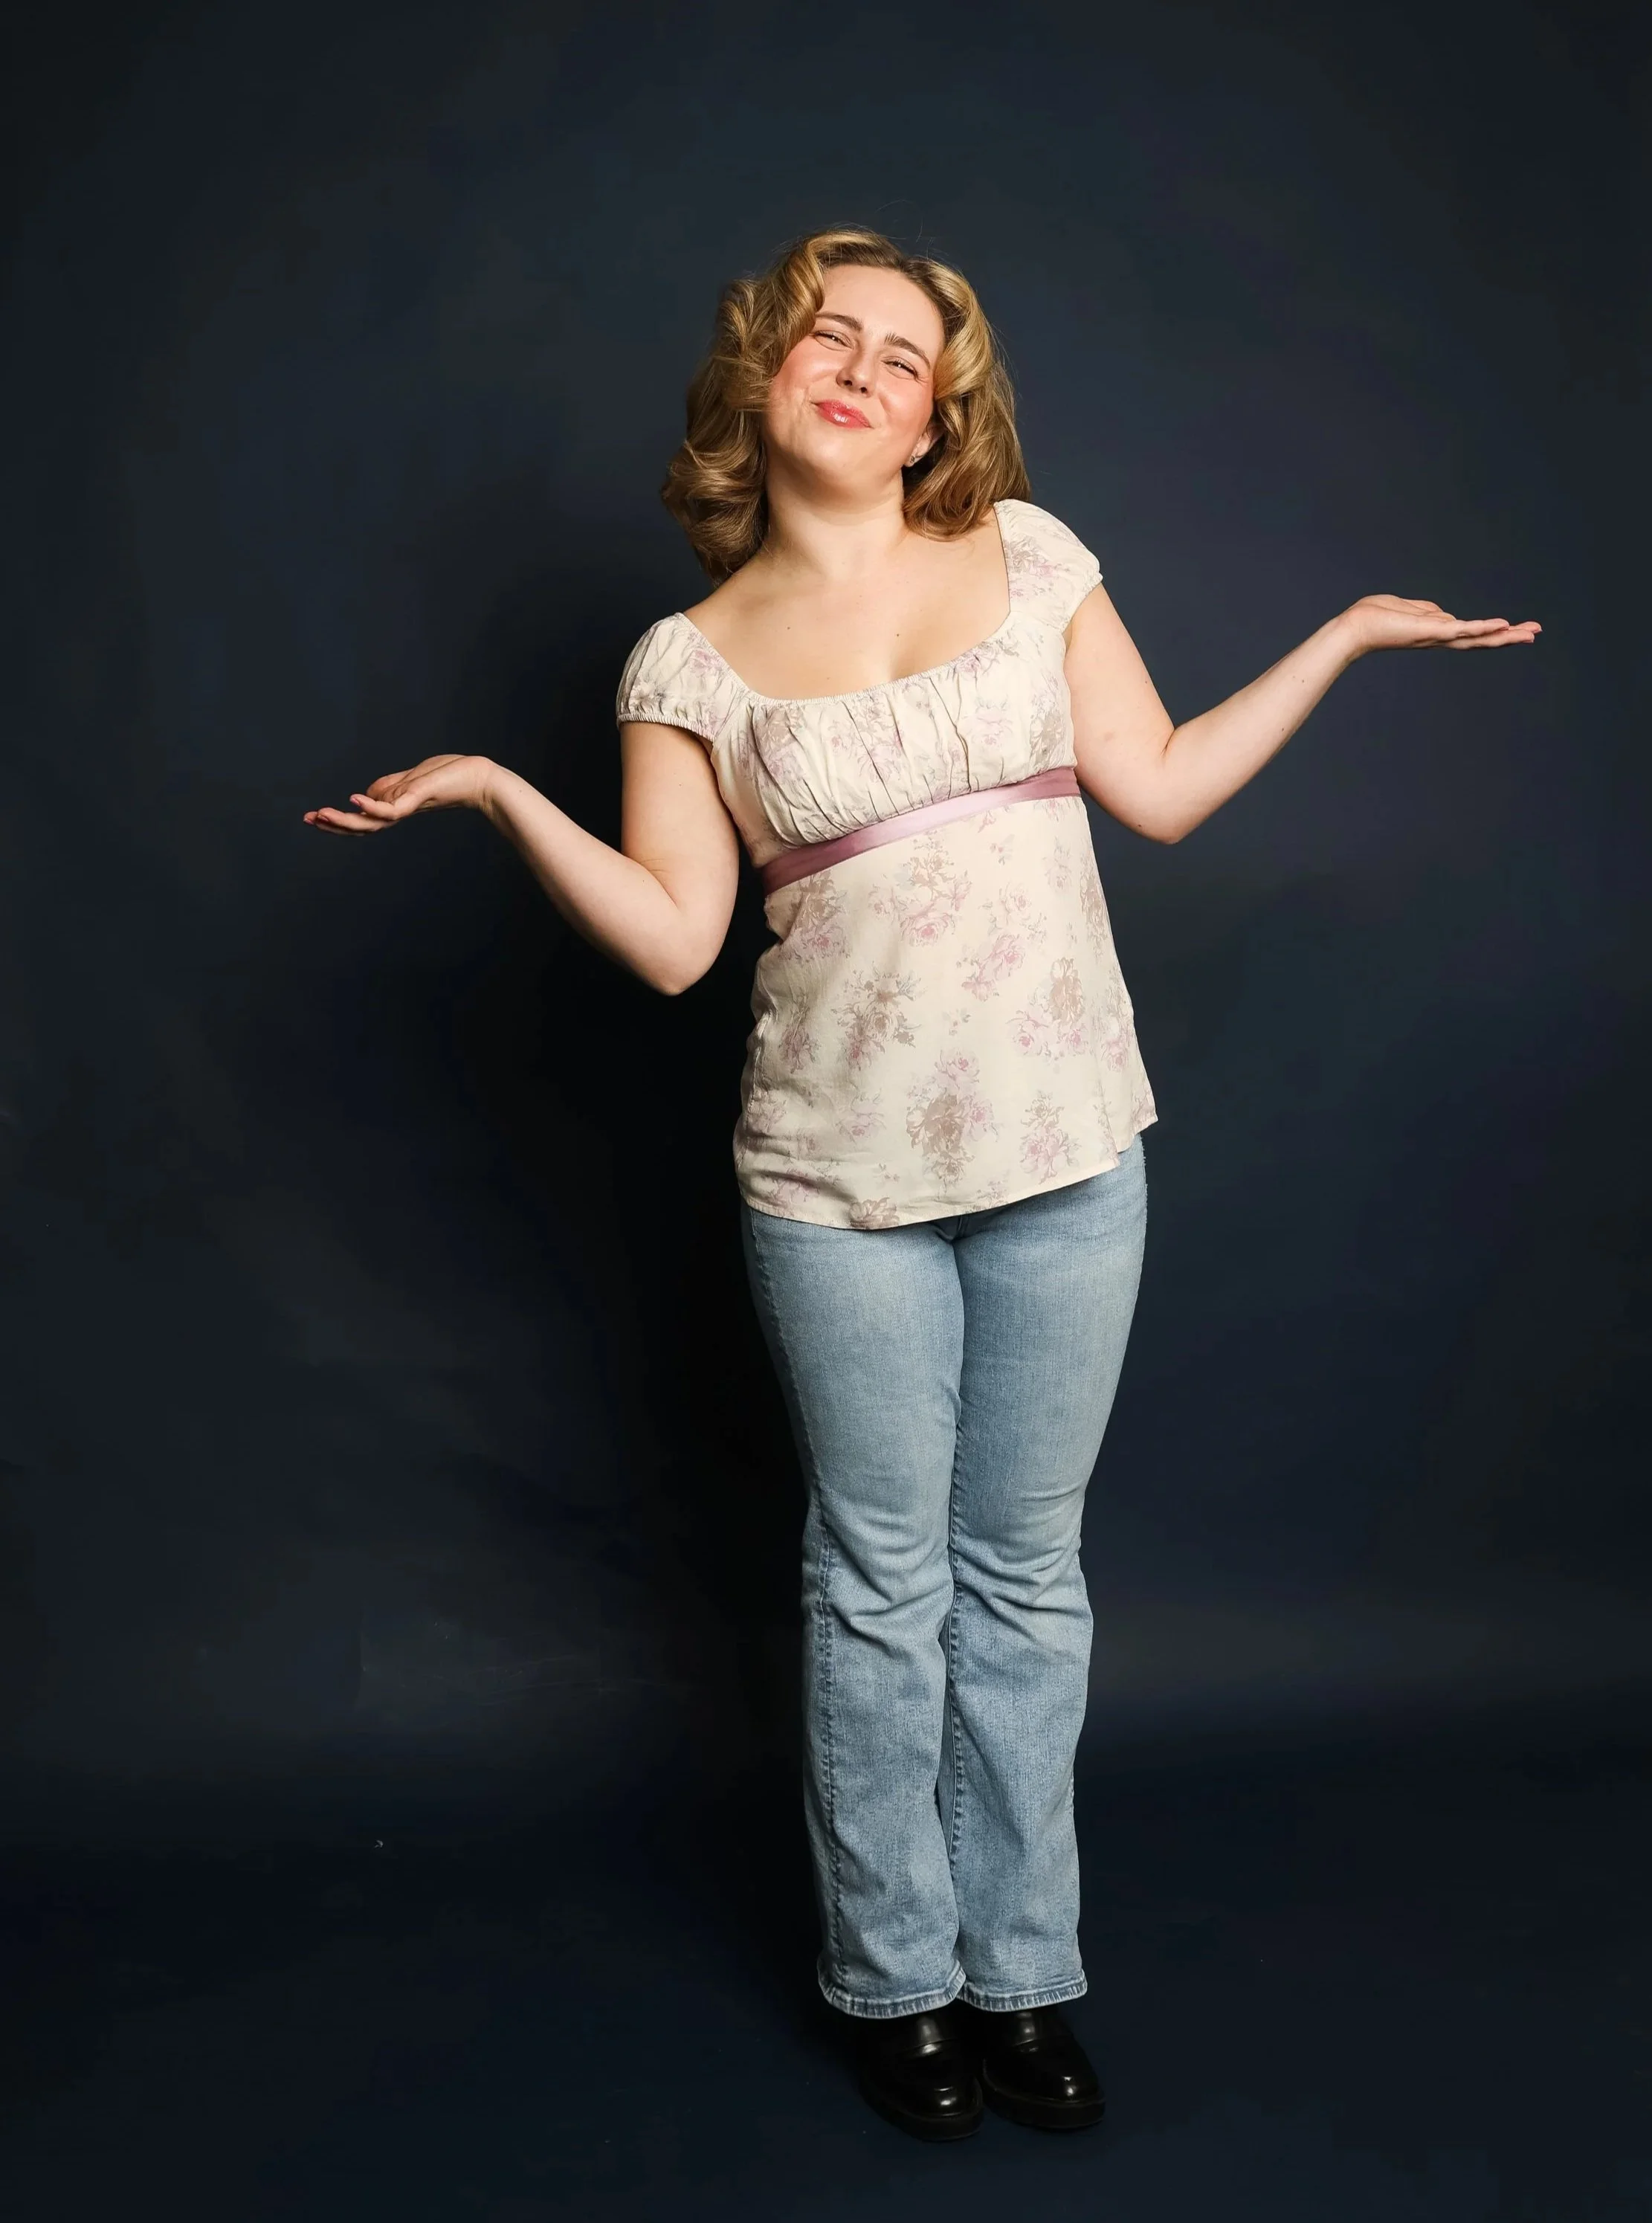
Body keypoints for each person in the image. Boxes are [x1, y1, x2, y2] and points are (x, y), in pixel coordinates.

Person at [304, 225, 1539, 2140]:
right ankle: (900, 1984)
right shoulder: (685, 662)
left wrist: (1346, 638)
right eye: (833, 334)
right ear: (768, 376)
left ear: (936, 416)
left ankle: (1026, 1971)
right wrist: (494, 789)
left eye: (909, 354)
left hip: (1067, 1153)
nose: (868, 367)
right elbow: (668, 940)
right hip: (832, 1182)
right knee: (879, 1587)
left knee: (1025, 1583)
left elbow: (1165, 786)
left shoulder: (1032, 556)